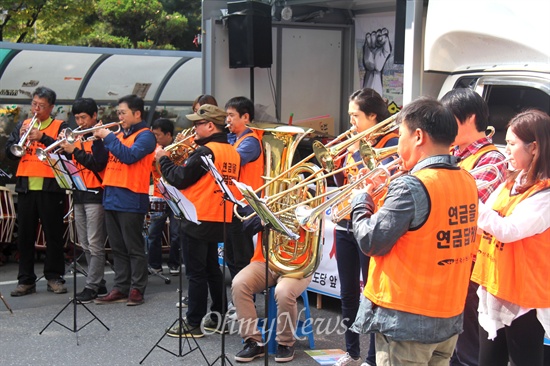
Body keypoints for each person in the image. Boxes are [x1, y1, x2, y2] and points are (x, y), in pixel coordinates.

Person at [350, 97, 479, 365]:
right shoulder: (467, 179)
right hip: (448, 315)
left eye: (400, 135)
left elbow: (371, 241)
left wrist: (361, 201)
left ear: (418, 136)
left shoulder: (412, 186)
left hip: (408, 321)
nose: (398, 144)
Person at [471, 109, 550, 366]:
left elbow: (509, 229)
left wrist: (469, 198)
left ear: (535, 148)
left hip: (524, 297)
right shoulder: (511, 182)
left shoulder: (545, 194)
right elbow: (487, 223)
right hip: (496, 286)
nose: (505, 150)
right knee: (488, 360)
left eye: (512, 144)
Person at [156, 104, 241, 337]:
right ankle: (219, 317)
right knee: (213, 269)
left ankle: (193, 322)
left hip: (197, 215)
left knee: (196, 273)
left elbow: (180, 179)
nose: (194, 129)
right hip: (221, 216)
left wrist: (163, 160)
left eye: (197, 125)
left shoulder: (206, 151)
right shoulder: (232, 151)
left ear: (210, 125)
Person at [441, 88, 507, 366]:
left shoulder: (492, 158)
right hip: (450, 257)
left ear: (469, 118)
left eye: (448, 119)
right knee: (451, 341)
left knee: (468, 343)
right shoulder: (450, 153)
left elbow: (462, 204)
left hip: (472, 263)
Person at [333, 88, 397, 366]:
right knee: (348, 292)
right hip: (345, 222)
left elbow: (379, 179)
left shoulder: (391, 141)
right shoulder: (354, 141)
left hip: (371, 224)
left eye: (355, 116)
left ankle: (372, 357)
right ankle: (352, 351)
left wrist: (357, 151)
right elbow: (344, 182)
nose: (351, 123)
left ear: (373, 116)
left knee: (372, 295)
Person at [93, 94, 156, 306]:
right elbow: (102, 161)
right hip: (111, 195)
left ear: (137, 113)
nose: (119, 117)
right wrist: (98, 140)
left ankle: (137, 288)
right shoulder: (119, 134)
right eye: (118, 112)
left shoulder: (146, 136)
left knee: (133, 247)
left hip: (131, 196)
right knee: (117, 247)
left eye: (123, 112)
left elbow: (129, 157)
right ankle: (120, 286)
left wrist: (108, 137)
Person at [6, 86, 69, 296]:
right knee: (24, 236)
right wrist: (19, 139)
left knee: (53, 235)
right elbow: (10, 152)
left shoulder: (60, 126)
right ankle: (25, 280)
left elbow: (63, 149)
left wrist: (42, 137)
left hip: (51, 188)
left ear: (51, 107)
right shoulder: (23, 124)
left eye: (41, 106)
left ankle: (54, 277)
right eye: (34, 104)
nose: (36, 109)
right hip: (26, 188)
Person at [58, 98, 109, 303]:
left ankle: (92, 286)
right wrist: (64, 147)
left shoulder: (100, 137)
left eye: (84, 118)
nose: (80, 122)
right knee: (85, 243)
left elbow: (97, 164)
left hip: (96, 194)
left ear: (94, 116)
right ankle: (99, 282)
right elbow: (72, 164)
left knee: (95, 243)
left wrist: (74, 151)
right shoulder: (76, 136)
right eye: (77, 118)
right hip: (79, 193)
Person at [224, 96, 264, 281]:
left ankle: (245, 301)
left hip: (244, 207)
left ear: (245, 117)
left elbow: (230, 161)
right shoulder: (235, 138)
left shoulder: (250, 142)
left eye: (231, 115)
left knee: (240, 257)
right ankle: (238, 299)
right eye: (227, 116)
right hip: (234, 205)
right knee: (231, 256)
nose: (228, 120)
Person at [147, 118, 181, 276]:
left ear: (168, 135)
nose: (156, 138)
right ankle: (155, 265)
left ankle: (175, 263)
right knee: (154, 231)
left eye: (158, 135)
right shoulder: (153, 148)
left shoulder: (179, 147)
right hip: (158, 194)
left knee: (176, 233)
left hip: (176, 195)